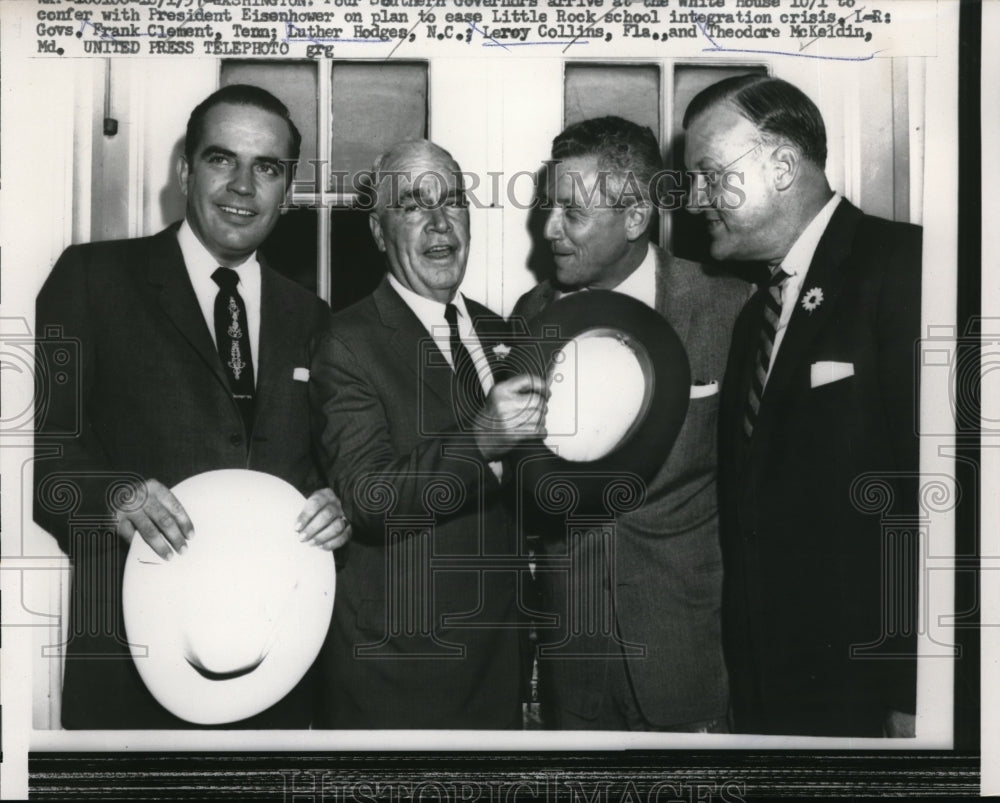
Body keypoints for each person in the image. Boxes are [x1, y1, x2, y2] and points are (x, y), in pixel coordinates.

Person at [33, 84, 350, 729]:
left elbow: (321, 468)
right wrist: (115, 494)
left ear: (286, 191)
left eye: (267, 168)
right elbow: (44, 462)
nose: (242, 186)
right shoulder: (91, 280)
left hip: (274, 664)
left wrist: (335, 506)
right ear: (185, 171)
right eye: (220, 159)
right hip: (131, 663)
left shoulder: (313, 317)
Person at [683, 75, 921, 737]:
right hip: (770, 694)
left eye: (708, 175)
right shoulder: (755, 314)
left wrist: (916, 697)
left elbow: (942, 509)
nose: (695, 198)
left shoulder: (903, 269)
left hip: (871, 698)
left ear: (783, 165)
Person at [512, 116, 750, 731]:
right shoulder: (533, 315)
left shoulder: (726, 306)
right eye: (549, 208)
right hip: (574, 658)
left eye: (573, 211)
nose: (550, 228)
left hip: (690, 656)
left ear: (637, 217)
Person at [310, 139, 547, 729]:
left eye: (454, 200)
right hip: (399, 670)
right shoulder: (347, 342)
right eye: (413, 204)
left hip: (498, 663)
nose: (440, 223)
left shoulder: (504, 331)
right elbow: (367, 498)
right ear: (378, 229)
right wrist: (481, 441)